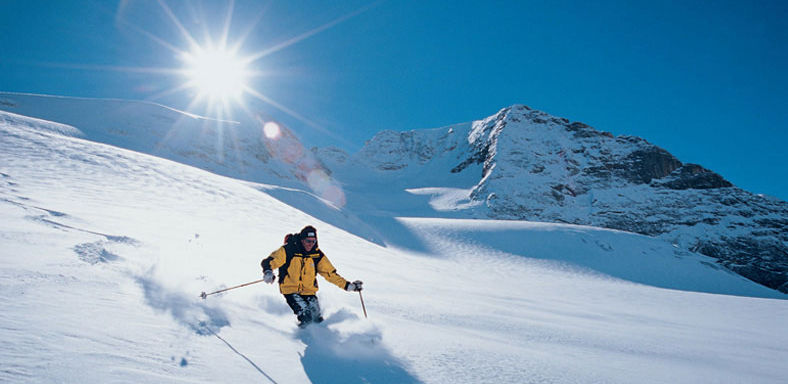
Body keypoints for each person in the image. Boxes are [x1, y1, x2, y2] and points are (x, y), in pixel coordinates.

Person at [261, 225, 363, 327]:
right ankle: (301, 338)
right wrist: (268, 271)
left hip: (309, 291)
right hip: (291, 290)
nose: (310, 244)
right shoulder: (288, 250)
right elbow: (271, 260)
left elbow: (330, 274)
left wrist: (348, 285)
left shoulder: (316, 255)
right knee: (306, 316)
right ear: (302, 240)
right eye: (308, 241)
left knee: (317, 319)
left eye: (313, 241)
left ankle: (320, 339)